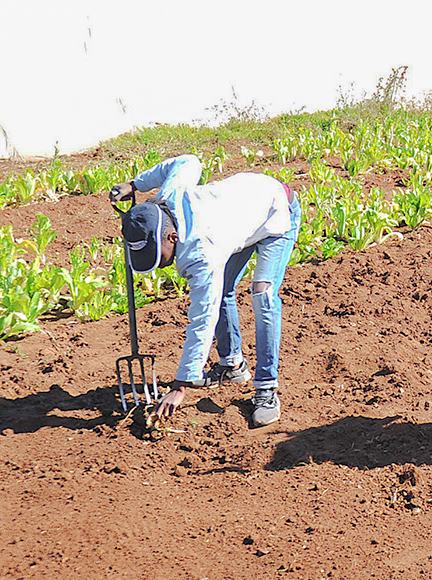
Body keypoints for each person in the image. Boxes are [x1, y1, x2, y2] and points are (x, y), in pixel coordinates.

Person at [110, 155, 301, 428]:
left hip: (277, 211)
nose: (160, 264)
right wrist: (135, 184)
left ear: (172, 237)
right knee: (223, 289)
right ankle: (232, 366)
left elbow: (203, 318)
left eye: (158, 255)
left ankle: (266, 388)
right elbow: (187, 162)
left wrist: (180, 385)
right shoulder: (168, 197)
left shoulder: (203, 253)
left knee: (263, 294)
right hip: (242, 217)